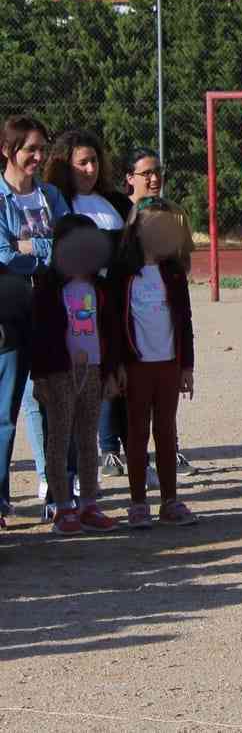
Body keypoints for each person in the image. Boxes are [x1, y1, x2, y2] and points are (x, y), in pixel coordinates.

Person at [43, 131, 138, 481]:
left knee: (120, 374)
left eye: (94, 160)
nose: (90, 168)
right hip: (79, 303)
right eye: (81, 162)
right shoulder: (58, 202)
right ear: (65, 165)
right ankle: (100, 453)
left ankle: (130, 451)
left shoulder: (113, 201)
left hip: (118, 301)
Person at [30, 214, 122, 536]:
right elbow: (38, 337)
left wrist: (111, 371)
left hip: (93, 372)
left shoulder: (100, 288)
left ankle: (89, 505)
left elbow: (109, 332)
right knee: (59, 439)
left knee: (87, 440)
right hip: (59, 375)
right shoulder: (48, 287)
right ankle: (63, 507)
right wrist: (40, 376)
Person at [111, 197, 200, 527]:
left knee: (166, 431)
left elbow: (185, 321)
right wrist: (116, 366)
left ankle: (170, 501)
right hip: (136, 366)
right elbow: (113, 324)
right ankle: (137, 503)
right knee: (137, 433)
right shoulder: (123, 275)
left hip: (168, 365)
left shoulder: (173, 273)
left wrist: (187, 366)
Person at [0, 115, 70, 530]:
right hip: (9, 314)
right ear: (8, 151)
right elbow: (4, 256)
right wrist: (44, 249)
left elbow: (70, 246)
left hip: (51, 309)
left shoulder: (51, 194)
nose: (39, 156)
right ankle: (1, 501)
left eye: (42, 148)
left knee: (51, 404)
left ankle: (56, 492)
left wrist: (31, 245)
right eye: (31, 149)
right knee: (5, 412)